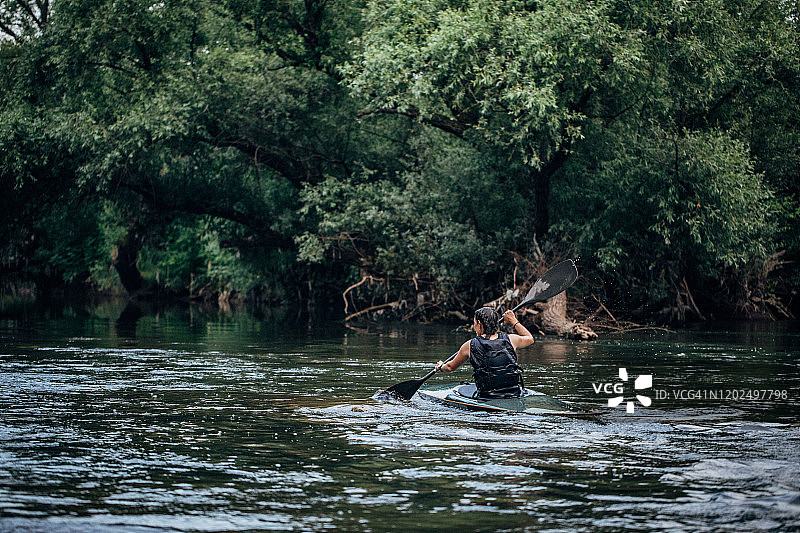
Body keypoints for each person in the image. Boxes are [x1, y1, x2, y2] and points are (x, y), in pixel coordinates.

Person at [435, 307, 534, 398]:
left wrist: (440, 367)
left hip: (487, 397)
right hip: (514, 393)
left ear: (479, 323)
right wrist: (514, 320)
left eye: (474, 323)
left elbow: (450, 367)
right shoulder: (511, 339)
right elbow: (530, 338)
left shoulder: (469, 345)